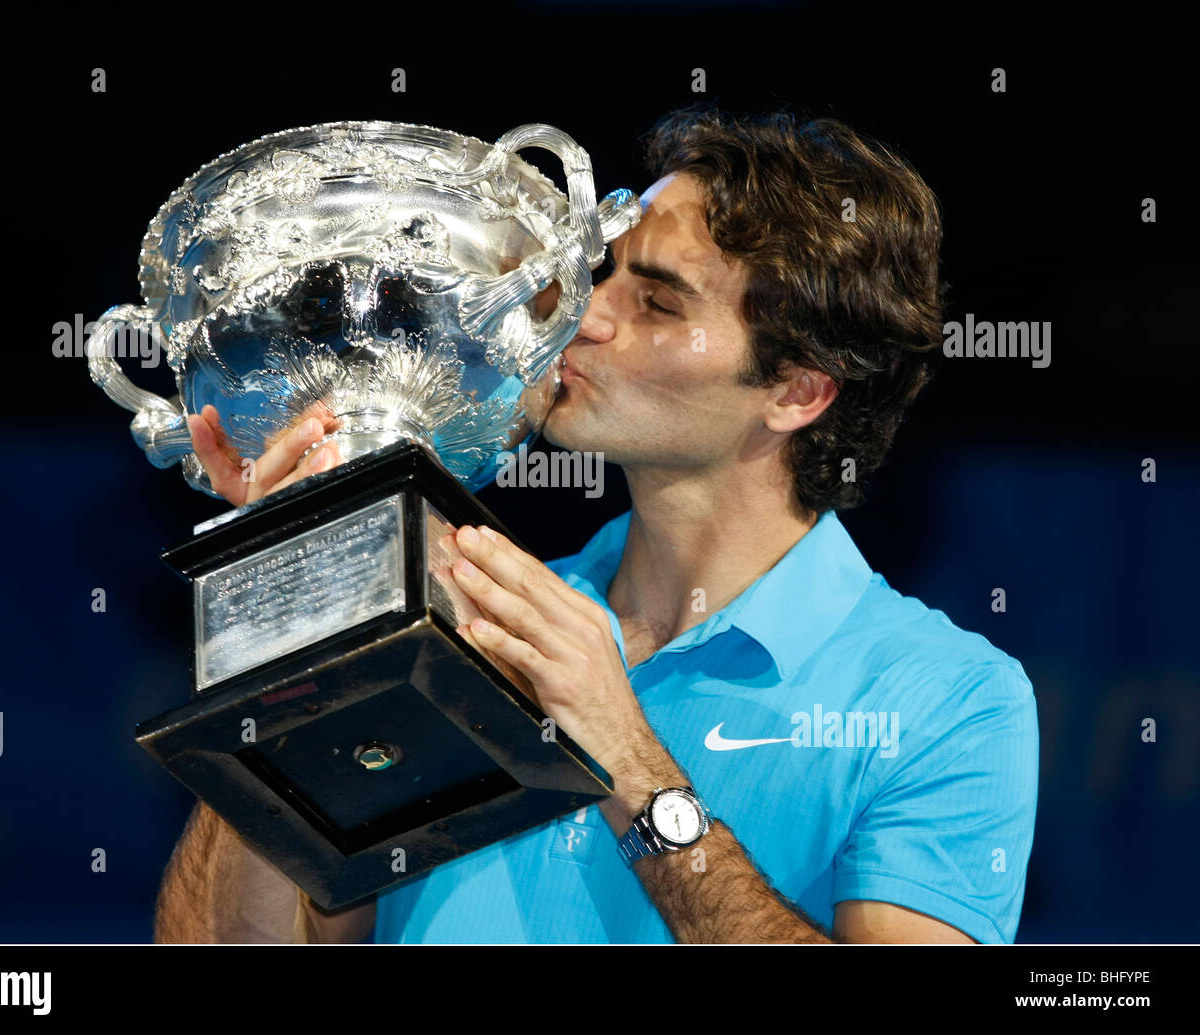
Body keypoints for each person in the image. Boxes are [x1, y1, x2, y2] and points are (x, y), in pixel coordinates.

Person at [154, 105, 1039, 945]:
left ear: (795, 391)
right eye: (604, 272)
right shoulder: (467, 611)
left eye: (658, 303)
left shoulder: (947, 699)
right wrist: (290, 605)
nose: (587, 312)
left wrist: (628, 757)